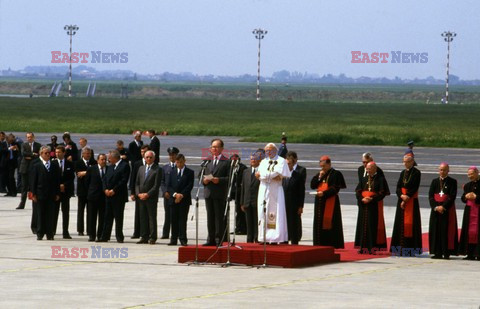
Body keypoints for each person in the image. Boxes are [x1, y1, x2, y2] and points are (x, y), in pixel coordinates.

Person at [256, 143, 290, 244]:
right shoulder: (263, 161)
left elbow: (277, 173)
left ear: (275, 150)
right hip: (263, 189)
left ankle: (275, 238)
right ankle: (263, 237)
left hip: (275, 190)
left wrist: (264, 176)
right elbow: (259, 175)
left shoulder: (281, 161)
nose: (268, 152)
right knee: (262, 212)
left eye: (270, 150)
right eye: (266, 151)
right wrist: (267, 176)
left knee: (276, 212)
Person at [310, 155, 346, 248]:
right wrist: (319, 177)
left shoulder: (335, 174)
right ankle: (319, 243)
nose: (322, 168)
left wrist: (324, 193)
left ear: (329, 164)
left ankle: (331, 244)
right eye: (321, 166)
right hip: (319, 202)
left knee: (330, 223)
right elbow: (312, 185)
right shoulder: (320, 173)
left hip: (330, 201)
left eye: (324, 166)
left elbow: (335, 188)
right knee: (319, 222)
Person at [390, 154, 422, 256]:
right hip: (402, 200)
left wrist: (407, 196)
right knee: (400, 224)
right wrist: (401, 196)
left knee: (411, 225)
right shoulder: (403, 172)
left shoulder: (417, 172)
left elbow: (414, 187)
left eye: (407, 162)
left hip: (411, 201)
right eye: (403, 161)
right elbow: (398, 187)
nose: (405, 163)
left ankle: (410, 250)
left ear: (412, 162)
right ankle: (399, 249)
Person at [355, 161, 389, 254]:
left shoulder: (380, 179)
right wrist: (362, 199)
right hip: (364, 206)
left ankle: (372, 248)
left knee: (372, 227)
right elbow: (358, 191)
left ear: (374, 169)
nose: (368, 170)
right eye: (367, 168)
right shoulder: (364, 178)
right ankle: (363, 248)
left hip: (374, 206)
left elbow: (382, 193)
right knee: (363, 227)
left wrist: (371, 199)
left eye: (369, 168)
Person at [202, 138, 230, 246]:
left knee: (219, 217)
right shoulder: (207, 161)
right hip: (208, 193)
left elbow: (230, 178)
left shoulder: (226, 162)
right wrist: (204, 180)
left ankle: (219, 239)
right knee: (210, 217)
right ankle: (211, 239)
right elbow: (201, 174)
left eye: (217, 147)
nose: (214, 149)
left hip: (219, 194)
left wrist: (219, 180)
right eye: (213, 147)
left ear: (222, 149)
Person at [98, 150, 130, 243]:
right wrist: (105, 190)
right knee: (107, 217)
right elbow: (104, 179)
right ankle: (105, 236)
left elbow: (123, 181)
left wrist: (114, 190)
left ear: (114, 157)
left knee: (118, 217)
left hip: (118, 196)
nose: (108, 159)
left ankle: (119, 236)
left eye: (109, 158)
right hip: (108, 196)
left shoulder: (124, 166)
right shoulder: (110, 167)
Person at [428, 162, 458, 259]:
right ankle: (437, 253)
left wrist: (443, 207)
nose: (442, 171)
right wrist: (436, 207)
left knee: (446, 231)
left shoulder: (452, 182)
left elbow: (452, 196)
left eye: (444, 169)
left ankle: (446, 252)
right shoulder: (434, 181)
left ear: (448, 170)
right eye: (441, 169)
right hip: (436, 210)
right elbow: (430, 196)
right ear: (438, 170)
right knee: (435, 230)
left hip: (447, 210)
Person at [29, 146, 60, 240]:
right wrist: (33, 194)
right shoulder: (37, 165)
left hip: (51, 194)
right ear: (41, 154)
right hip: (40, 194)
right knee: (40, 214)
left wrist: (57, 193)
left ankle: (50, 234)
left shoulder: (54, 165)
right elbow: (33, 181)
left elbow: (57, 181)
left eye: (49, 153)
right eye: (45, 153)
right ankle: (40, 233)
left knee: (50, 215)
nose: (48, 155)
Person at [165, 153, 194, 246]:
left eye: (181, 162)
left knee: (182, 220)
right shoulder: (172, 172)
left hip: (184, 200)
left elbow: (190, 185)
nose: (179, 164)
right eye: (177, 162)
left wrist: (181, 195)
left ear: (184, 161)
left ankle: (183, 239)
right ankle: (173, 239)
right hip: (173, 200)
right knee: (173, 220)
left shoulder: (190, 172)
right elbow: (168, 185)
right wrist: (175, 194)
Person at [134, 150, 162, 245]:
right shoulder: (141, 168)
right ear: (144, 158)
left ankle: (152, 237)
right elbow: (137, 183)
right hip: (141, 198)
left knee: (151, 218)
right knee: (142, 217)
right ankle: (144, 236)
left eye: (150, 157)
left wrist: (147, 194)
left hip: (151, 198)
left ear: (154, 158)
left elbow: (156, 186)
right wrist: (138, 194)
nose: (149, 159)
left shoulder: (157, 169)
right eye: (147, 157)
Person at [282, 151, 306, 245]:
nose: (287, 166)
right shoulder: (282, 176)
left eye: (289, 164)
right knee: (284, 226)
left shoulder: (298, 176)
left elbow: (301, 192)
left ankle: (294, 243)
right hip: (284, 205)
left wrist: (300, 206)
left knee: (294, 226)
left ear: (293, 164)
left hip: (294, 205)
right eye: (286, 164)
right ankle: (284, 242)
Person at [240, 149, 263, 243]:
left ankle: (257, 239)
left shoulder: (262, 171)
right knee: (249, 224)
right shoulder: (246, 171)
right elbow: (243, 188)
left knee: (257, 223)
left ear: (259, 160)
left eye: (254, 159)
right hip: (247, 202)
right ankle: (249, 240)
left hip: (257, 202)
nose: (252, 160)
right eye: (251, 159)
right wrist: (242, 202)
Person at [52, 146, 75, 239]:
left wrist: (64, 185)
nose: (57, 154)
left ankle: (65, 232)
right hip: (56, 192)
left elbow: (71, 177)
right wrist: (58, 186)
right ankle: (52, 230)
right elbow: (51, 177)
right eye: (56, 152)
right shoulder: (52, 163)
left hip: (66, 191)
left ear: (64, 153)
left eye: (59, 152)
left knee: (65, 212)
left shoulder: (70, 164)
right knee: (54, 212)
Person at [74, 147, 97, 236]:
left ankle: (90, 230)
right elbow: (78, 174)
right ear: (83, 154)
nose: (88, 155)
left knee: (90, 212)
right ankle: (80, 230)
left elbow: (95, 173)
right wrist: (88, 172)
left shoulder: (94, 163)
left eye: (89, 154)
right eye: (87, 154)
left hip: (91, 190)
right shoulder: (78, 163)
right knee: (81, 211)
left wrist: (85, 173)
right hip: (82, 190)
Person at [129, 144, 150, 239]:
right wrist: (132, 192)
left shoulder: (153, 163)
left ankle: (147, 232)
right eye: (141, 152)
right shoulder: (137, 164)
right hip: (139, 192)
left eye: (144, 152)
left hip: (148, 193)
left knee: (148, 214)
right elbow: (133, 178)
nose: (143, 154)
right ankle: (137, 232)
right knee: (138, 213)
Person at [459, 166, 480, 260]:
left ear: (477, 172)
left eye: (471, 174)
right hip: (469, 211)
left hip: (478, 210)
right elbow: (462, 198)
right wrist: (466, 196)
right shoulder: (467, 185)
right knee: (468, 232)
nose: (470, 176)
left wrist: (476, 197)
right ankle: (470, 253)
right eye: (469, 174)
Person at [85, 154, 107, 242]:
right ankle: (91, 235)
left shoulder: (109, 169)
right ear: (98, 160)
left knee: (102, 217)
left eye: (105, 159)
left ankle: (100, 234)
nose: (104, 161)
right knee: (91, 217)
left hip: (104, 197)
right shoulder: (91, 169)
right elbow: (87, 182)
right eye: (102, 159)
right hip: (92, 197)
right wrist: (90, 192)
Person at [17, 132, 41, 210]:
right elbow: (23, 153)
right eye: (28, 137)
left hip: (34, 168)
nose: (29, 138)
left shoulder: (38, 145)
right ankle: (22, 203)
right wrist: (32, 154)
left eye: (30, 137)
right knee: (24, 187)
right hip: (25, 169)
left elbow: (39, 155)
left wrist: (30, 156)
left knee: (34, 186)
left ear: (33, 137)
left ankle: (36, 203)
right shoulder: (24, 145)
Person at [160, 146, 179, 239]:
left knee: (176, 215)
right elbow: (162, 182)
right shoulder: (165, 168)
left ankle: (176, 233)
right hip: (167, 195)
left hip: (176, 195)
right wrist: (165, 192)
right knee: (167, 215)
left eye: (173, 155)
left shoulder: (179, 167)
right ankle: (165, 233)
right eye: (170, 155)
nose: (171, 156)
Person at [229, 154, 247, 235]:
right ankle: (238, 227)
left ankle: (242, 228)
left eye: (235, 161)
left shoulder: (243, 168)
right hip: (233, 192)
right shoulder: (230, 168)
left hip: (241, 192)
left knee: (241, 211)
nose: (234, 162)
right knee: (237, 211)